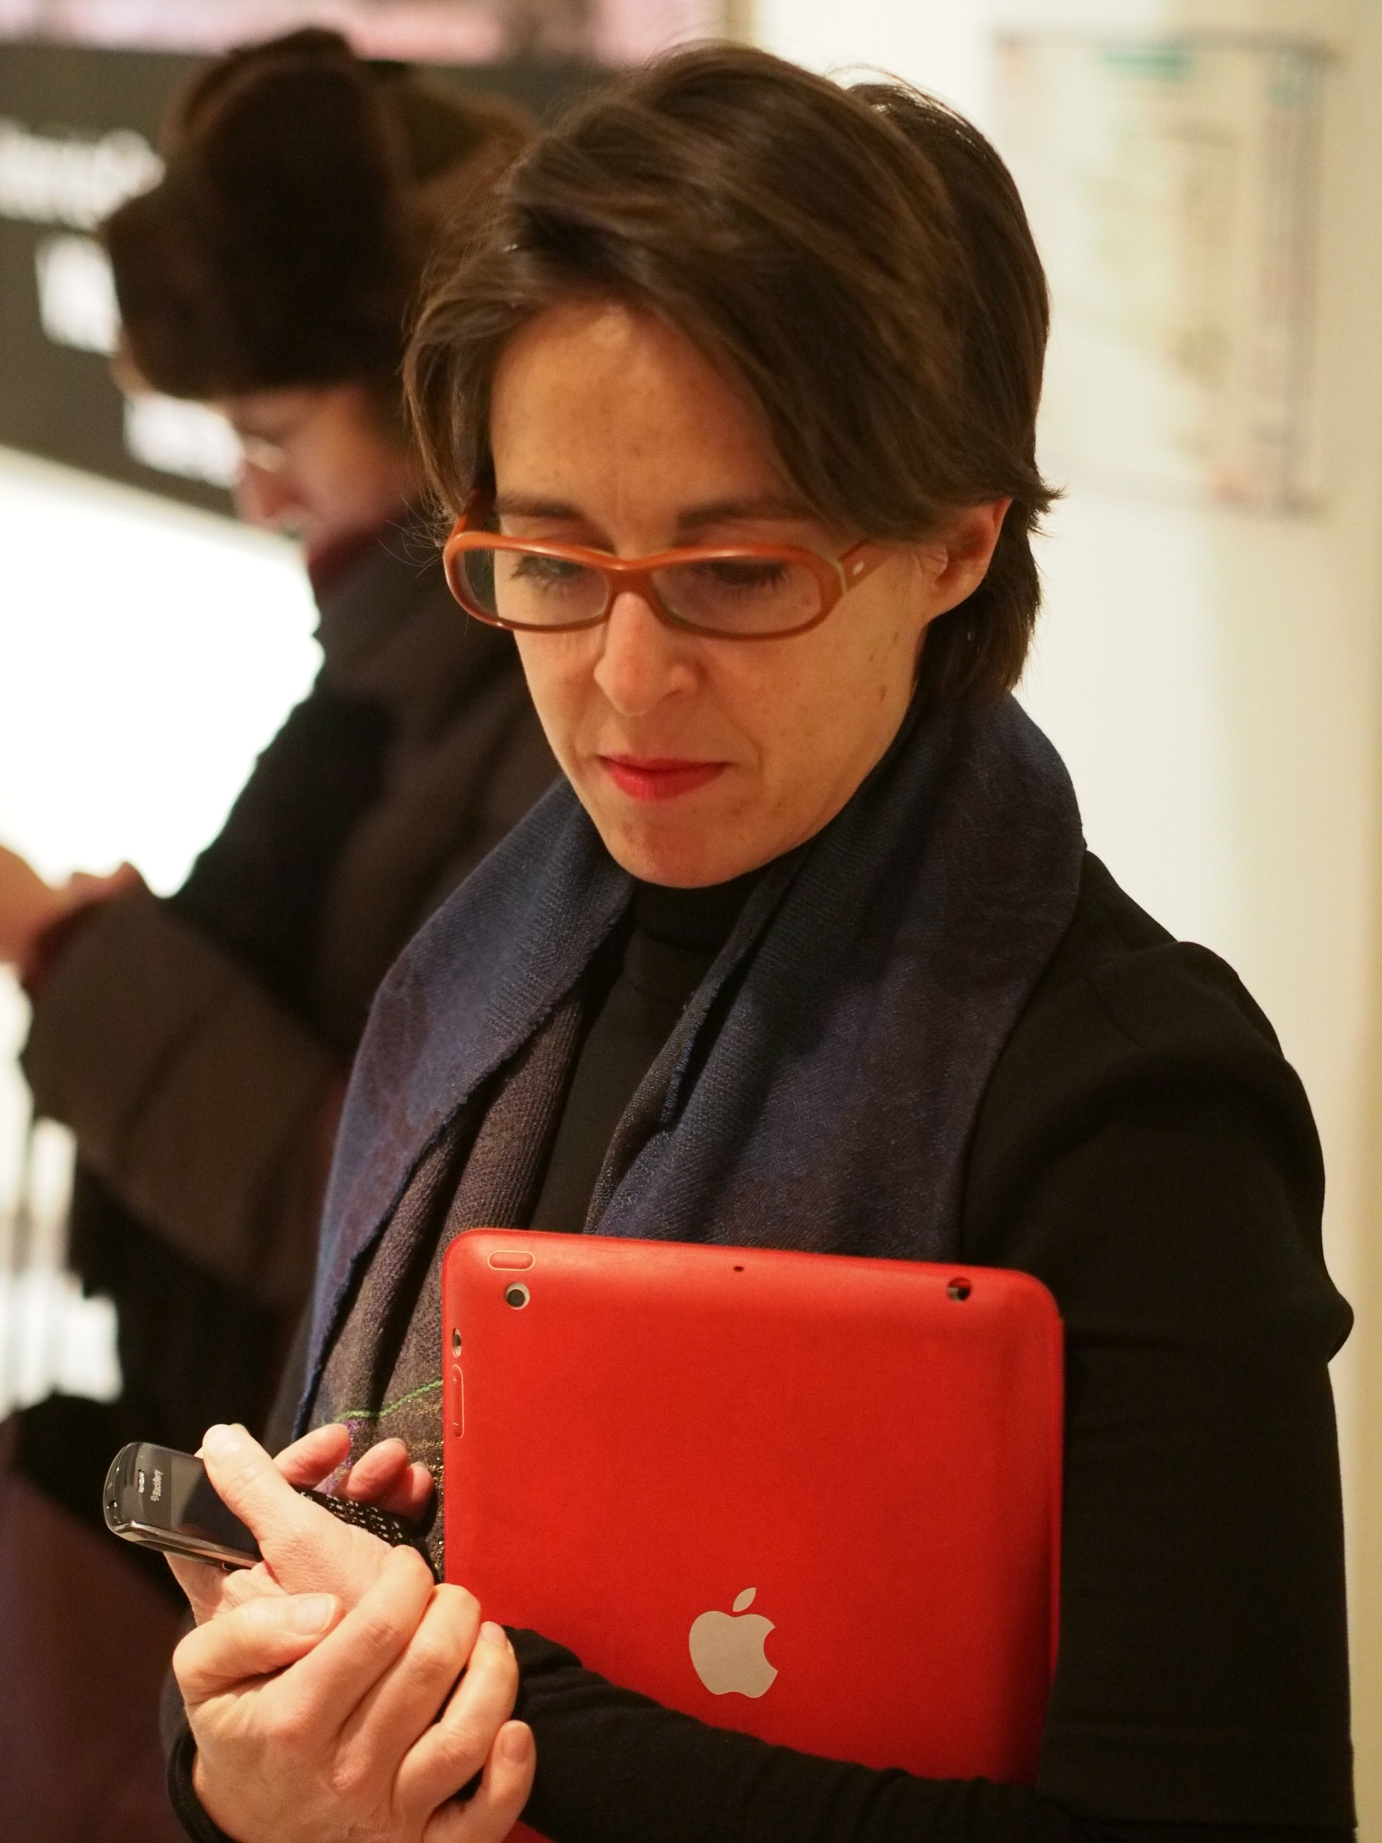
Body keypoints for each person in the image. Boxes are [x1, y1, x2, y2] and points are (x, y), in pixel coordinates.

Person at [160, 44, 1353, 1843]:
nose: (628, 681)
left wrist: (494, 1708)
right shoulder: (471, 978)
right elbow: (274, 1661)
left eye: (734, 575)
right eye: (551, 564)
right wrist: (237, 1775)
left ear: (952, 545)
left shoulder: (1130, 1100)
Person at [0, 29, 554, 1843]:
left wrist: (73, 960)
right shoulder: (404, 679)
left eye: (270, 436)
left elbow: (375, 1171)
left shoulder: (517, 712)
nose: (251, 493)